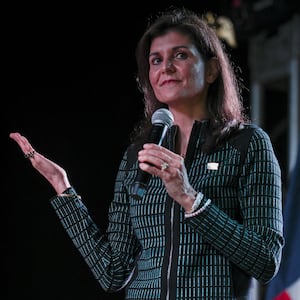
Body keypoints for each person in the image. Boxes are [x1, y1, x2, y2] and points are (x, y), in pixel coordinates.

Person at [10, 7, 284, 300]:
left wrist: (191, 199)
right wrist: (63, 190)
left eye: (180, 55)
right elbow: (113, 272)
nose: (165, 67)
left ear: (213, 69)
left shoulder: (247, 144)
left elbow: (266, 261)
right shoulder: (136, 156)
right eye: (156, 60)